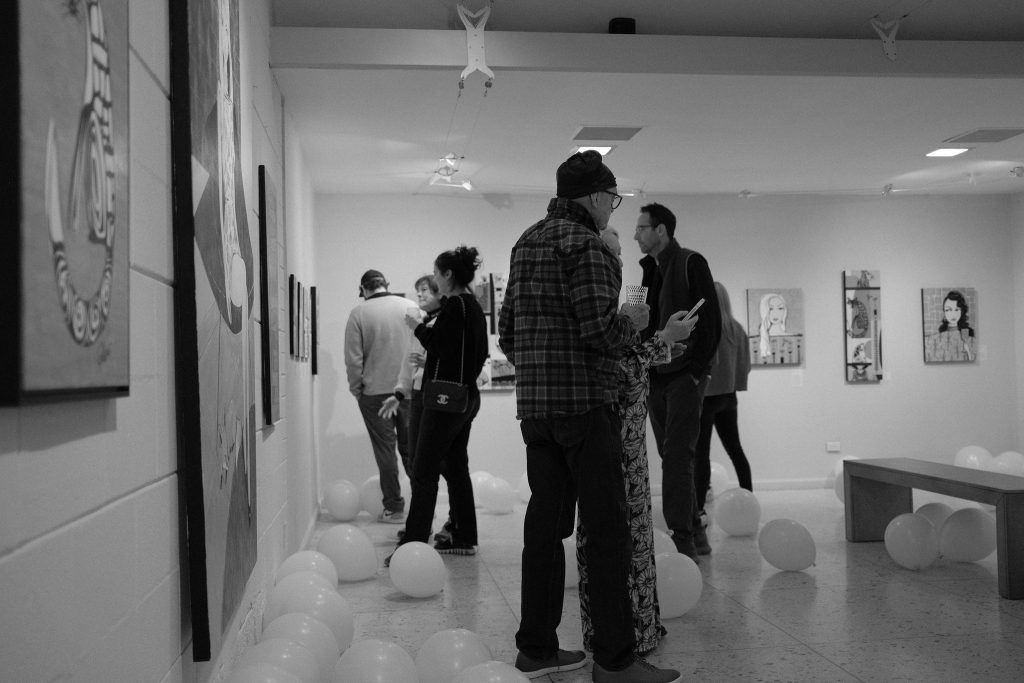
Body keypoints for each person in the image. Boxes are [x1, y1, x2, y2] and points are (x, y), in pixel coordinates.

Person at [499, 150, 680, 682]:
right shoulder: (588, 247)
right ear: (598, 197)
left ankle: (535, 647)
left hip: (536, 409)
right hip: (584, 406)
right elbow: (601, 334)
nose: (614, 211)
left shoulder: (526, 242)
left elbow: (508, 334)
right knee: (607, 532)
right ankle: (616, 662)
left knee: (544, 526)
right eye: (613, 200)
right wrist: (631, 320)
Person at [575, 230, 696, 655]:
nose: (620, 257)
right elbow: (619, 370)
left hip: (620, 436)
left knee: (616, 534)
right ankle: (630, 634)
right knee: (623, 536)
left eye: (619, 250)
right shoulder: (605, 305)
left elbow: (627, 357)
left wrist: (661, 346)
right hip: (616, 438)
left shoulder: (608, 301)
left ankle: (621, 629)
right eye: (613, 250)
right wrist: (663, 338)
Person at [385, 246, 489, 564]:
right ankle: (464, 536)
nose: (433, 279)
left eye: (436, 272)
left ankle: (413, 545)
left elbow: (438, 345)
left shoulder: (456, 305)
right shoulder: (471, 305)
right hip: (466, 397)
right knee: (456, 468)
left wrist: (418, 328)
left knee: (424, 471)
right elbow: (478, 352)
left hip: (445, 401)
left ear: (448, 275)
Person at [635, 203, 721, 561]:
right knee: (670, 455)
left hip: (683, 375)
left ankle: (682, 538)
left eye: (642, 228)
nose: (636, 234)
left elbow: (711, 322)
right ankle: (696, 534)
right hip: (656, 376)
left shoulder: (690, 262)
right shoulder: (648, 271)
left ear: (661, 230)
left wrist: (695, 371)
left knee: (676, 457)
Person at [344, 269, 419, 523]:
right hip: (409, 391)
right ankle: (422, 506)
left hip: (375, 393)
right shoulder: (410, 306)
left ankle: (394, 508)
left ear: (363, 289)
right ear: (386, 284)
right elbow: (423, 347)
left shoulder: (359, 313)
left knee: (385, 450)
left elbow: (354, 360)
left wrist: (357, 389)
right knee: (413, 450)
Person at [694, 282, 752, 554]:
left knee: (701, 454)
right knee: (736, 451)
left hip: (706, 398)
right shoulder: (737, 328)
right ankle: (750, 498)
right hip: (729, 397)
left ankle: (697, 511)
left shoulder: (709, 328)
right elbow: (746, 365)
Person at [925, 290, 975, 361]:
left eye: (957, 310)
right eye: (949, 310)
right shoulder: (940, 333)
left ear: (962, 311)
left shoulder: (968, 332)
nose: (953, 314)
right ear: (944, 312)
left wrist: (968, 350)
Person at [757, 292, 787, 358]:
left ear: (784, 311)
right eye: (770, 309)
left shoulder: (791, 338)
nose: (775, 313)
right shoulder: (761, 337)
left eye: (780, 308)